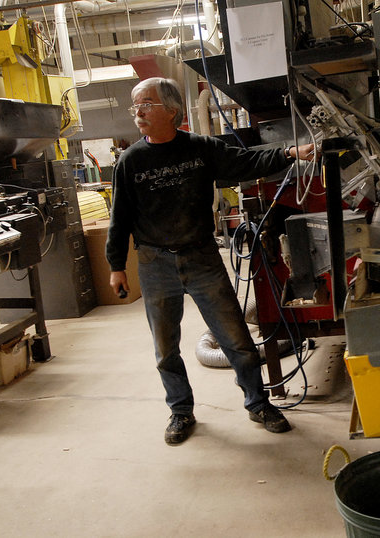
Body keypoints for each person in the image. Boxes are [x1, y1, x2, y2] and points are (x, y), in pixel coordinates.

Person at [106, 77, 316, 445]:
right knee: (165, 348)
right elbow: (119, 216)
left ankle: (257, 403)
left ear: (171, 110)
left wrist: (288, 153)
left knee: (236, 338)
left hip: (201, 257)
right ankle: (181, 412)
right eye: (135, 106)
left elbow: (245, 162)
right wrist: (115, 266)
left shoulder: (201, 148)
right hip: (155, 264)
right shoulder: (130, 161)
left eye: (147, 103)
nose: (138, 112)